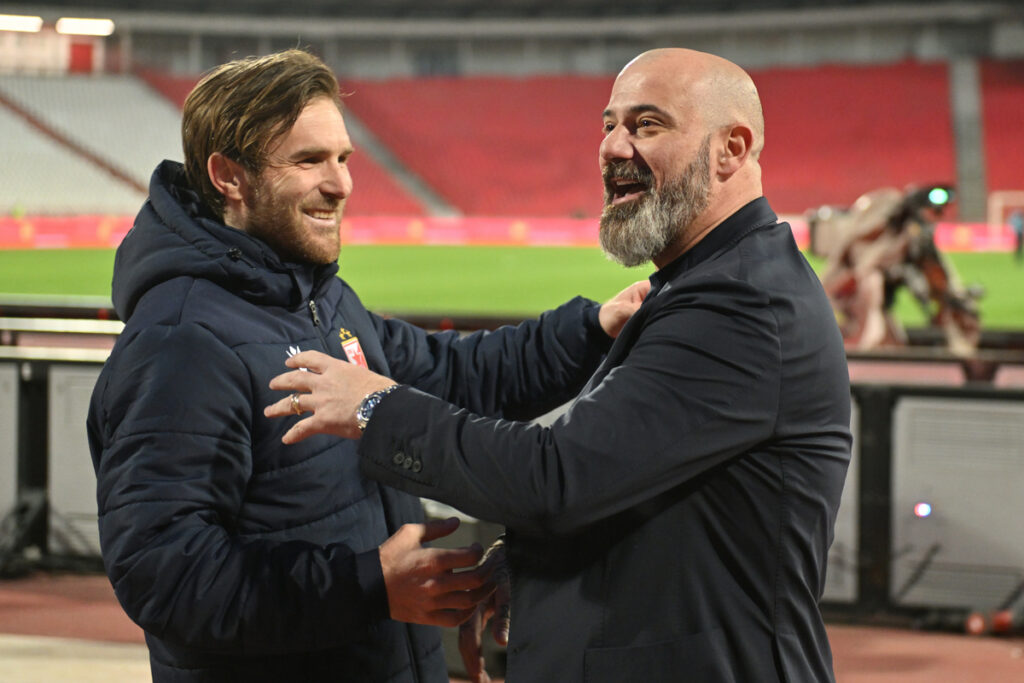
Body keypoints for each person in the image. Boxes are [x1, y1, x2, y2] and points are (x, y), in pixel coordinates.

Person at [267, 47, 852, 682]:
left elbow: (557, 479)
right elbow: (645, 495)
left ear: (731, 149)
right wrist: (531, 564)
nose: (614, 147)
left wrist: (377, 406)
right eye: (609, 125)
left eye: (647, 124)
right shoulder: (704, 285)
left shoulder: (739, 305)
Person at [86, 49, 644, 682]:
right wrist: (370, 585)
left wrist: (595, 328)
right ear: (228, 177)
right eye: (308, 160)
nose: (342, 184)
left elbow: (454, 374)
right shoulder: (182, 341)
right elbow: (167, 575)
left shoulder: (318, 299)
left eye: (343, 158)